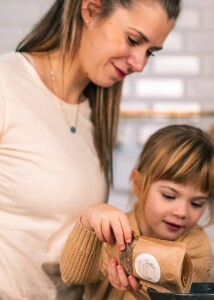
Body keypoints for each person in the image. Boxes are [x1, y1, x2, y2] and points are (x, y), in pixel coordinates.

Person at [0, 0, 181, 299]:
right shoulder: (7, 85)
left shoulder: (95, 112)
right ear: (91, 10)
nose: (139, 64)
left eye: (149, 52)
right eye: (134, 40)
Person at [60, 124, 214, 300]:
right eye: (169, 196)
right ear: (138, 184)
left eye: (196, 203)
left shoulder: (194, 245)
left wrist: (136, 290)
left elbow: (179, 297)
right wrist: (89, 220)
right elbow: (73, 276)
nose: (182, 212)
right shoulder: (113, 236)